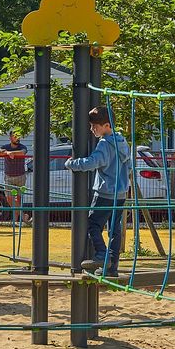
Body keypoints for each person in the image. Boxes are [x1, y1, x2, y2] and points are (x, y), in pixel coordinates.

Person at [65, 106, 131, 277]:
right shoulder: (122, 142)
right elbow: (128, 166)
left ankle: (102, 254)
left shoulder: (104, 143)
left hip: (105, 193)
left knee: (92, 224)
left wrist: (71, 163)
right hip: (121, 193)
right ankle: (112, 267)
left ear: (107, 125)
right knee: (114, 230)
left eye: (95, 126)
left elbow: (92, 163)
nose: (92, 129)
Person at [0, 132, 29, 210]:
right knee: (9, 198)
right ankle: (23, 216)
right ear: (10, 138)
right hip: (8, 176)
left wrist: (10, 153)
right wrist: (7, 152)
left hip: (20, 176)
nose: (17, 138)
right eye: (15, 136)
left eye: (18, 136)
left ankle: (16, 220)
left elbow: (22, 153)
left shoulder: (22, 147)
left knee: (19, 199)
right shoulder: (5, 147)